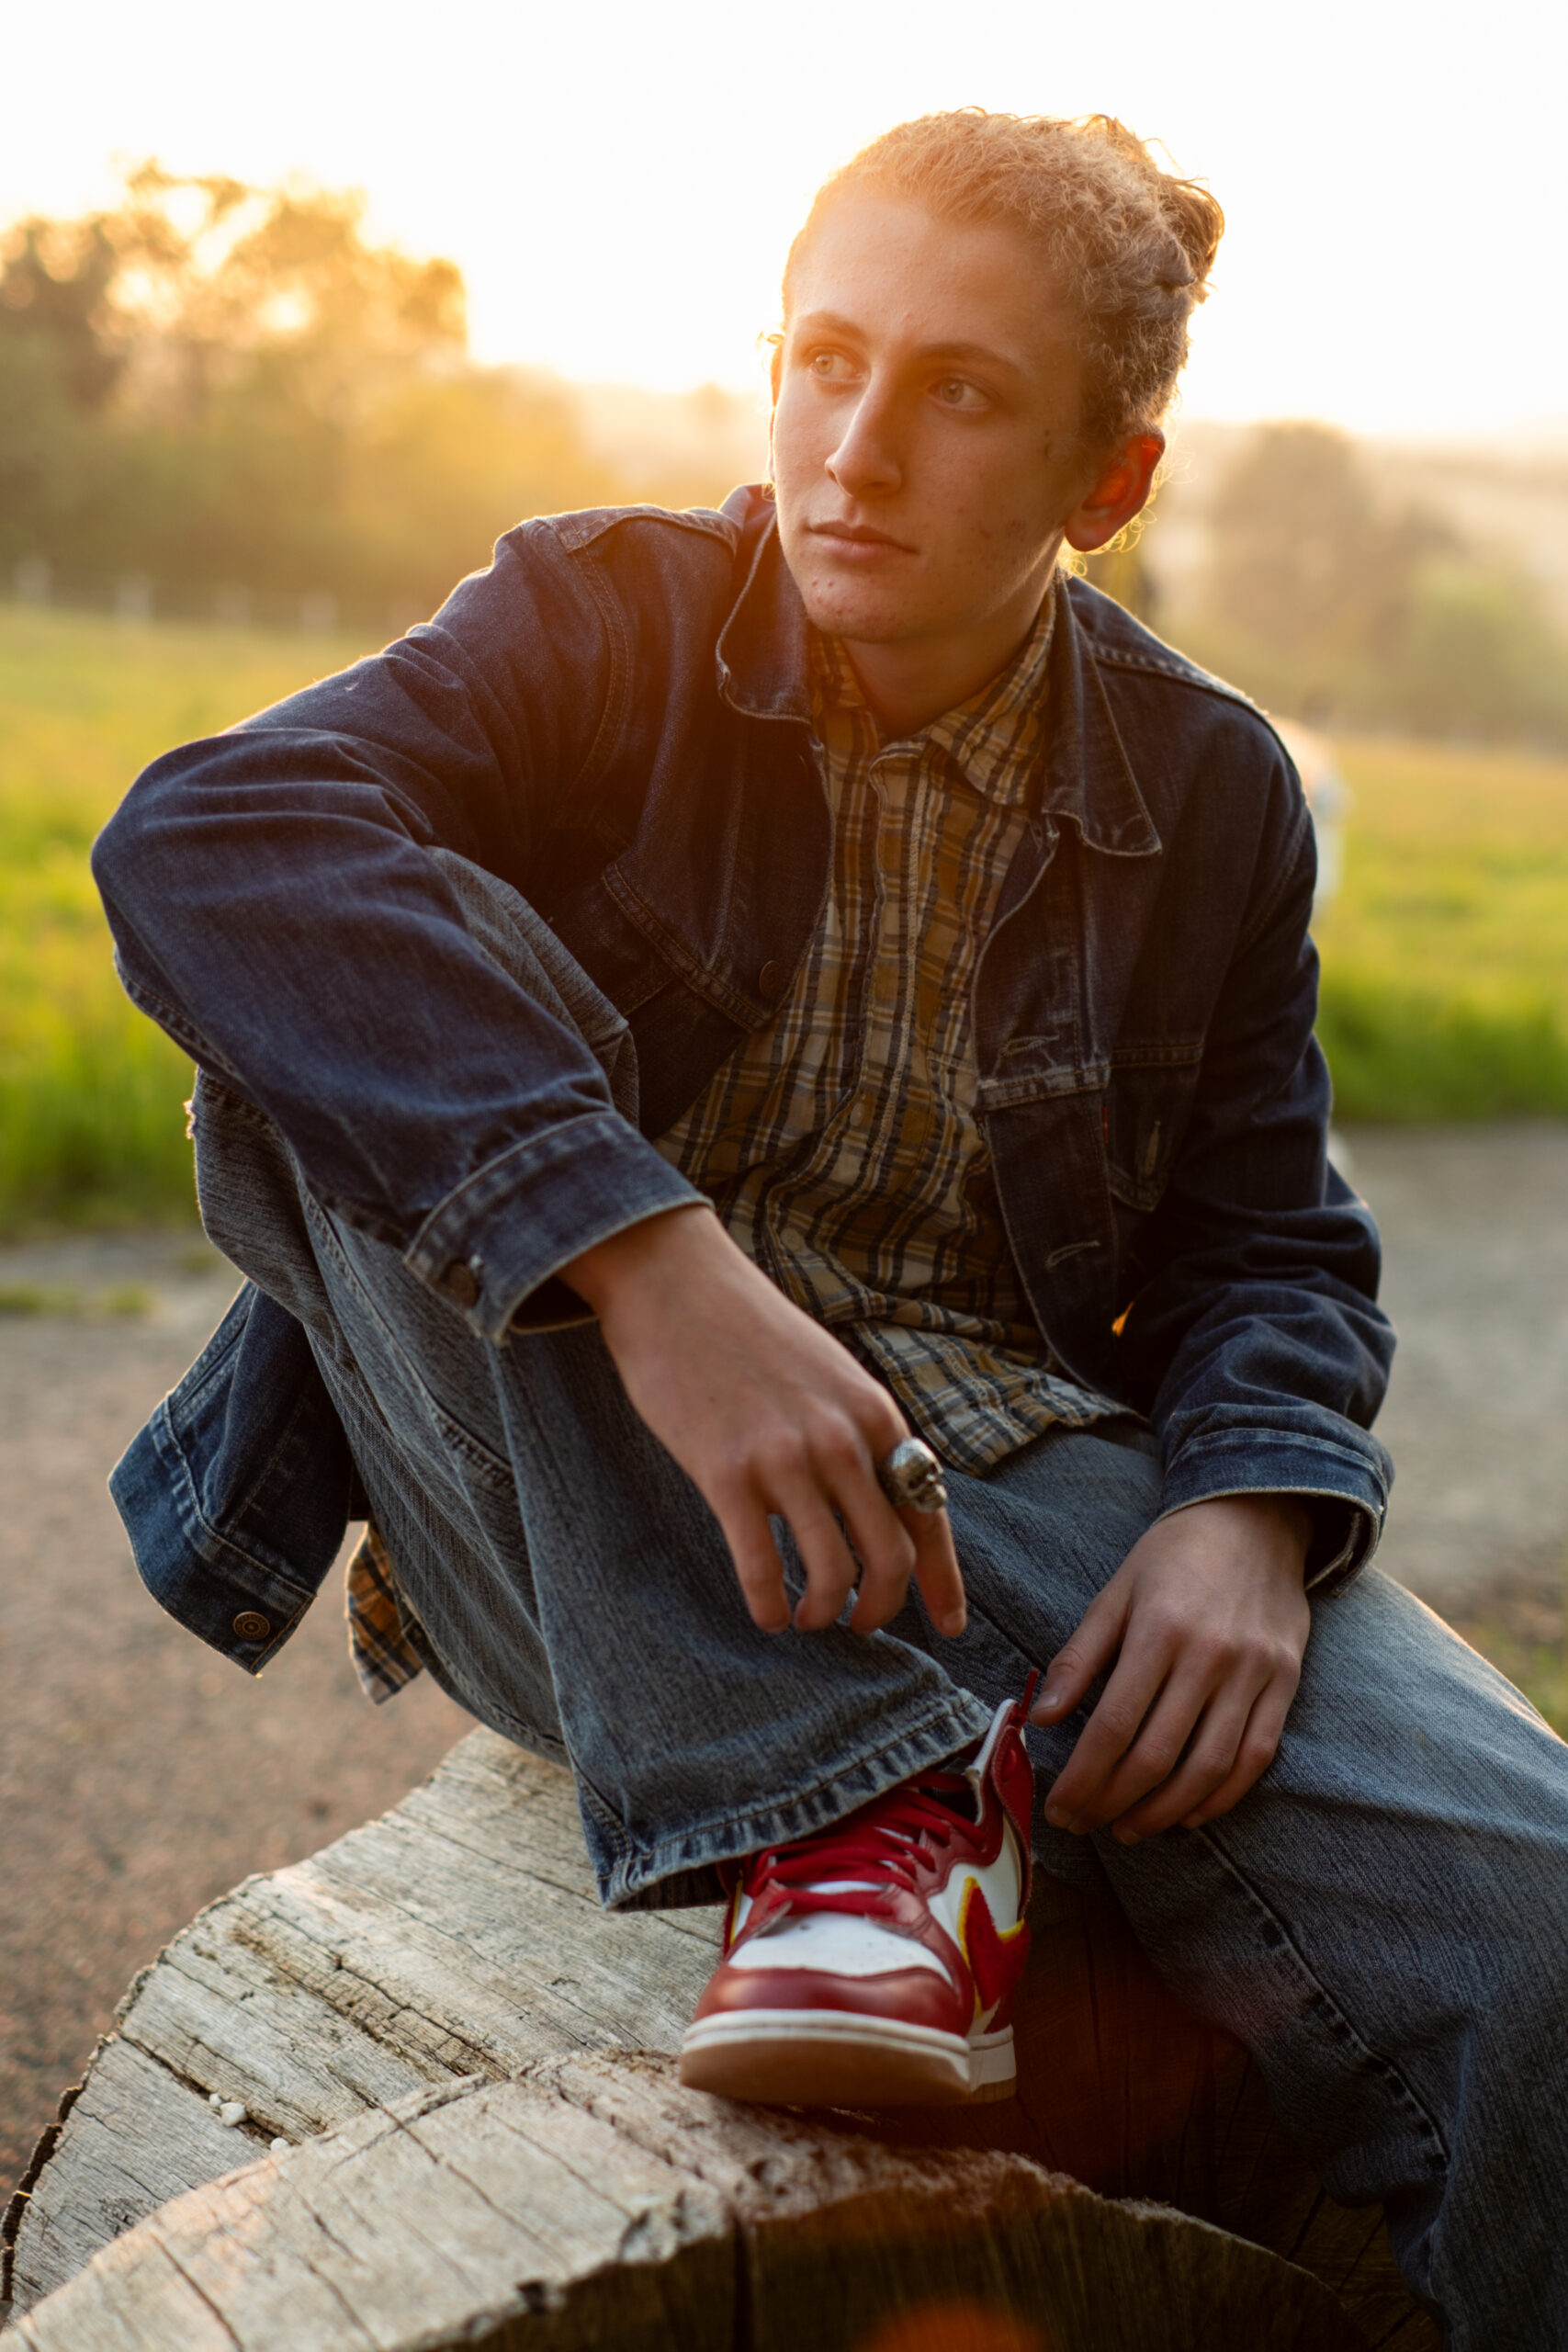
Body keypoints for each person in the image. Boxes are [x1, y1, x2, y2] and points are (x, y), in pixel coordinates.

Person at [94, 111, 1568, 2345]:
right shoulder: (599, 616)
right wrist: (648, 1254)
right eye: (821, 357)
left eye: (958, 393)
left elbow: (1267, 1234)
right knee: (346, 991)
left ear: (1107, 483)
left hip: (994, 1480)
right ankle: (861, 1806)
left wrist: (1254, 1512)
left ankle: (963, 1785)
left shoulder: (1207, 790)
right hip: (572, 1487)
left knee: (1538, 1921)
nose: (850, 450)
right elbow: (208, 839)